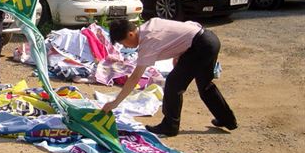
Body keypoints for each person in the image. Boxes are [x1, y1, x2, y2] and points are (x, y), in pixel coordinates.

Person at [101, 18, 238, 136]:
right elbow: (183, 29)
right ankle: (227, 119)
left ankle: (170, 126)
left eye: (124, 43)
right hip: (209, 40)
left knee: (173, 84)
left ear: (130, 34)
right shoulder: (151, 24)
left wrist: (115, 103)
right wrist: (179, 53)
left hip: (199, 47)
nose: (125, 46)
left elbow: (135, 77)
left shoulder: (147, 42)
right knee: (205, 85)